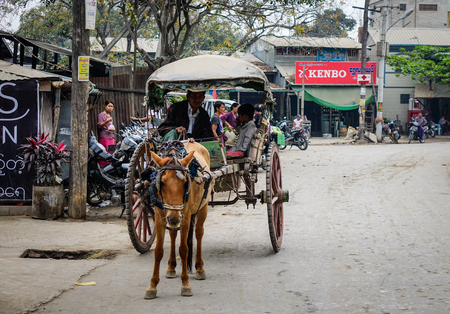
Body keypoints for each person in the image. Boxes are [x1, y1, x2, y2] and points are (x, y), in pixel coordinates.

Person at [97, 100, 115, 166]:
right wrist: (107, 121)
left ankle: (110, 168)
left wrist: (113, 138)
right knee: (104, 154)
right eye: (109, 106)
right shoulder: (102, 115)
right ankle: (102, 167)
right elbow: (99, 126)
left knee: (111, 153)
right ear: (105, 106)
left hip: (111, 138)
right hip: (104, 137)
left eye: (112, 106)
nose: (110, 108)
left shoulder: (110, 116)